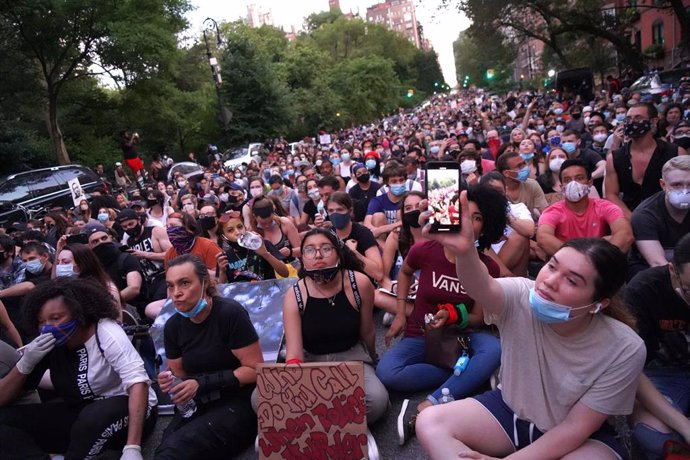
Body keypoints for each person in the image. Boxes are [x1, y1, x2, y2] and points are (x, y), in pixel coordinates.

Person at [415, 191, 646, 459]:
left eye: (572, 281)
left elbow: (576, 427)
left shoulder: (625, 347)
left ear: (599, 303)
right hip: (509, 411)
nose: (549, 281)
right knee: (429, 422)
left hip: (580, 439)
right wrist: (466, 251)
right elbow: (480, 285)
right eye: (551, 266)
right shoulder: (523, 294)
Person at [378, 185, 507, 445]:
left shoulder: (488, 266)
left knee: (494, 349)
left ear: (487, 226)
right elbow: (404, 273)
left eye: (478, 217)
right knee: (387, 373)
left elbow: (478, 318)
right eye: (464, 213)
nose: (469, 222)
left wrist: (452, 314)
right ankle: (470, 375)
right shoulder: (426, 250)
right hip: (420, 336)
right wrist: (401, 314)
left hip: (461, 338)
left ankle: (432, 402)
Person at [0, 278, 157, 459]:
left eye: (56, 318)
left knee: (93, 418)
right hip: (81, 413)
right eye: (42, 321)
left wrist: (132, 447)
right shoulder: (49, 344)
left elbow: (138, 383)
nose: (48, 327)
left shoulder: (105, 332)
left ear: (79, 313)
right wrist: (25, 363)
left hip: (130, 411)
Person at [155, 254, 262, 458]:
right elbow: (179, 375)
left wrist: (200, 383)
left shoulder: (229, 314)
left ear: (205, 283)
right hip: (200, 402)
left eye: (184, 283)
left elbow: (255, 370)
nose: (176, 293)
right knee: (165, 447)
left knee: (175, 451)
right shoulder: (173, 327)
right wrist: (170, 380)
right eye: (170, 286)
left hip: (237, 401)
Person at [282, 229, 389, 424]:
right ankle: (346, 425)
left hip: (352, 358)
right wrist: (295, 384)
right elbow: (294, 353)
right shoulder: (294, 294)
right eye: (310, 250)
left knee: (378, 399)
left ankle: (311, 425)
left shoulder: (360, 283)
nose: (318, 255)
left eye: (325, 248)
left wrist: (373, 359)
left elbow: (367, 331)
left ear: (338, 253)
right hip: (311, 362)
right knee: (260, 398)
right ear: (303, 259)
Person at [627, 233, 690, 459]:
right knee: (653, 435)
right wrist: (685, 427)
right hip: (661, 375)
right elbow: (629, 372)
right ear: (673, 271)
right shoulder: (643, 291)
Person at [536, 158, 633, 258]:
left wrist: (599, 260)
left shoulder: (605, 207)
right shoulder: (553, 211)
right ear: (561, 187)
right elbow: (543, 238)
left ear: (590, 182)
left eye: (579, 178)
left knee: (608, 240)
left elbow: (625, 234)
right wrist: (580, 260)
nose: (573, 184)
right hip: (567, 265)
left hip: (599, 264)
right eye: (567, 180)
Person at [605, 102, 679, 219]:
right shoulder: (615, 158)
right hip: (629, 219)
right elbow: (611, 194)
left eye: (638, 118)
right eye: (628, 119)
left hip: (668, 218)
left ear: (653, 121)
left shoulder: (675, 153)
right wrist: (633, 219)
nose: (632, 122)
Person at [629, 156, 690, 278]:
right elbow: (657, 263)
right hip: (649, 268)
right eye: (677, 185)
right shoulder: (644, 215)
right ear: (663, 184)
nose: (685, 191)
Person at [324, 192, 384, 282]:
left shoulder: (363, 233)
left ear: (350, 211)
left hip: (363, 285)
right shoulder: (327, 235)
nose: (335, 214)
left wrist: (354, 253)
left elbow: (378, 274)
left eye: (340, 210)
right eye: (331, 211)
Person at [216, 212, 289, 282]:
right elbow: (222, 287)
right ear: (224, 237)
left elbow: (285, 273)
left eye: (240, 227)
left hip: (267, 292)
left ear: (245, 227)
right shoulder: (225, 257)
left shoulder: (263, 244)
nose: (238, 232)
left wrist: (265, 254)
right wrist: (222, 271)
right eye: (230, 230)